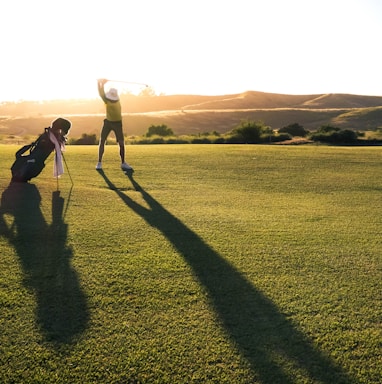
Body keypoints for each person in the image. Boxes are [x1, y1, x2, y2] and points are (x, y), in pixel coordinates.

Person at [11, 117, 71, 182]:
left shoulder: (49, 134)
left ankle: (21, 175)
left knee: (32, 161)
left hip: (34, 160)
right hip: (33, 162)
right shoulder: (51, 136)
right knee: (32, 161)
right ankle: (21, 175)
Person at [96, 79, 133, 171]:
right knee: (102, 141)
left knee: (121, 143)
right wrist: (100, 83)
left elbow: (101, 93)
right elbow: (101, 92)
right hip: (108, 122)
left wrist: (101, 83)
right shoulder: (112, 100)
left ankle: (123, 163)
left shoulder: (107, 101)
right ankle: (99, 162)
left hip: (117, 123)